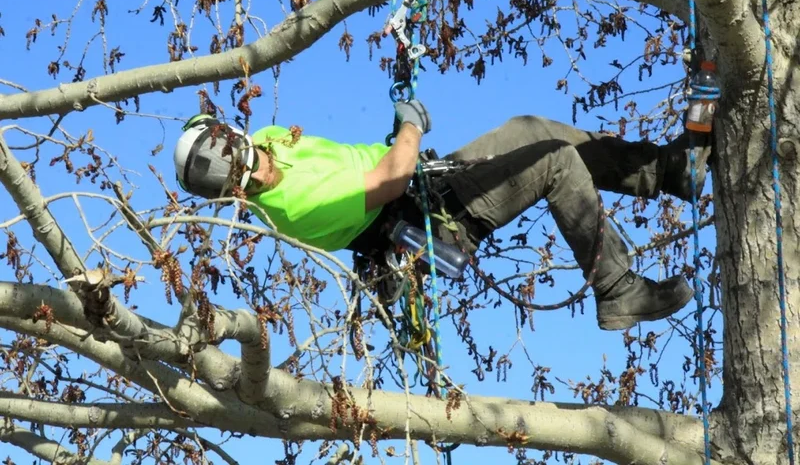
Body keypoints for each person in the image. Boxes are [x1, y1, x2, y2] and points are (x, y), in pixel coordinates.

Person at [173, 100, 711, 331]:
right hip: (434, 218)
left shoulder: (269, 140)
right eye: (251, 179)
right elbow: (389, 182)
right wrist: (410, 129)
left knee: (527, 129)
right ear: (237, 193)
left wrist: (401, 142)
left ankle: (667, 172)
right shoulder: (292, 207)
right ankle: (617, 288)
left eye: (255, 163)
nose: (263, 171)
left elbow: (366, 165)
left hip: (431, 181)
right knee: (556, 163)